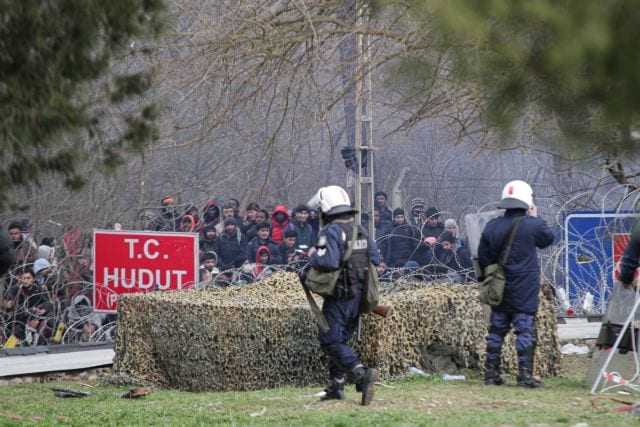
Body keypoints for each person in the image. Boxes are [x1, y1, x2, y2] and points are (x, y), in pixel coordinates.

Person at [306, 185, 380, 406]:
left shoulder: (329, 232)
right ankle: (336, 386)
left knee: (330, 340)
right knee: (341, 340)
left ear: (326, 210)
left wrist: (312, 256)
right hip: (358, 296)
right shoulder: (360, 230)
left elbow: (327, 261)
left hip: (338, 296)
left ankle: (361, 373)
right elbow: (374, 258)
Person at [478, 180, 554, 388]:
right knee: (524, 331)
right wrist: (535, 216)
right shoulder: (534, 224)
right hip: (525, 289)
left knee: (496, 331)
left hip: (499, 288)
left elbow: (483, 258)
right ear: (527, 201)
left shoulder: (492, 226)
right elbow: (548, 239)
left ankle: (491, 375)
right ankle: (525, 376)